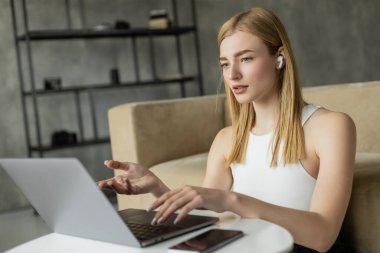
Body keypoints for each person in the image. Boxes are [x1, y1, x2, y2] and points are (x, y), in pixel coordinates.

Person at [97, 7, 356, 252]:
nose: (232, 74)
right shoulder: (226, 139)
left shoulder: (331, 126)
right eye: (224, 63)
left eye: (245, 59)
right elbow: (204, 221)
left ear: (279, 58)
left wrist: (232, 201)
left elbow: (323, 236)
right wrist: (157, 187)